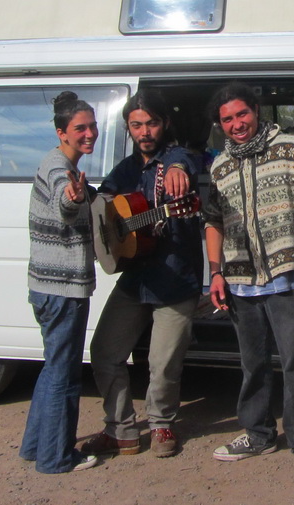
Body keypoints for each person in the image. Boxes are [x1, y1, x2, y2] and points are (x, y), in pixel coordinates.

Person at [203, 82, 294, 488]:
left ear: (256, 111)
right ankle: (259, 433)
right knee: (253, 365)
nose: (236, 124)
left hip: (286, 278)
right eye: (228, 119)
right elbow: (212, 221)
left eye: (242, 114)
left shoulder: (289, 146)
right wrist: (216, 273)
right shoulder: (219, 166)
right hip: (240, 280)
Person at [84, 90, 202, 459]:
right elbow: (102, 207)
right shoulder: (127, 169)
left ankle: (161, 423)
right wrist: (105, 223)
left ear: (164, 123)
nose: (144, 131)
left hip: (174, 279)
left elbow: (186, 163)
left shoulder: (177, 158)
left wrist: (181, 174)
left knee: (162, 363)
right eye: (136, 125)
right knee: (104, 351)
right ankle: (120, 429)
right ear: (128, 128)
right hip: (135, 278)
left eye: (151, 123)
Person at [20, 91, 100, 474]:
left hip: (49, 288)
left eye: (92, 126)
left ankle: (36, 447)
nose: (89, 134)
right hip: (61, 290)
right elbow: (63, 205)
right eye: (79, 128)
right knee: (64, 375)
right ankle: (56, 458)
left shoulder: (62, 164)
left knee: (53, 368)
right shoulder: (59, 170)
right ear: (61, 133)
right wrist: (73, 198)